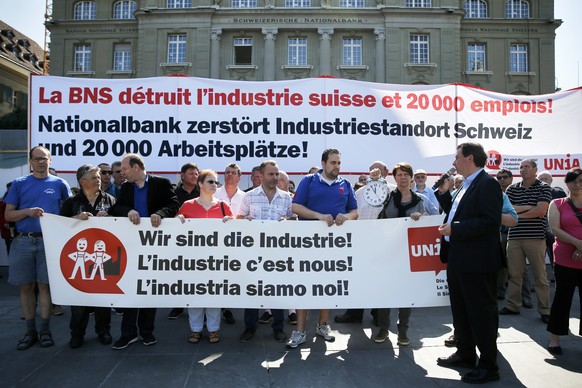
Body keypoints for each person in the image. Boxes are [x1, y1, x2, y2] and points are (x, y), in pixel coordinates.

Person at [436, 142, 502, 384]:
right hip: (458, 257)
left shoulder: (487, 184)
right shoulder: (465, 185)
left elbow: (490, 222)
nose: (454, 162)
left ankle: (488, 365)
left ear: (470, 158)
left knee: (481, 314)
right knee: (461, 311)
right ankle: (465, 354)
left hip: (478, 261)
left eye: (457, 157)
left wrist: (456, 228)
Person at [287, 148, 358, 349]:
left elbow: (354, 211)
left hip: (334, 247)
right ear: (324, 163)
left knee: (328, 285)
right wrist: (319, 216)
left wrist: (348, 216)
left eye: (339, 163)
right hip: (307, 244)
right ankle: (300, 331)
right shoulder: (309, 181)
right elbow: (295, 207)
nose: (336, 166)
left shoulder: (345, 184)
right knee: (303, 286)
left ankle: (322, 325)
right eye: (333, 162)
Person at [4, 146, 72, 350]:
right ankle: (29, 331)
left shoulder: (60, 183)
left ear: (50, 160)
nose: (42, 162)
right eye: (37, 159)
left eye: (45, 158)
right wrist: (27, 212)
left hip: (49, 241)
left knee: (45, 285)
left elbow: (67, 213)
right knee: (26, 286)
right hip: (23, 241)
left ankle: (45, 330)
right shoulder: (18, 184)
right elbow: (8, 215)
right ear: (30, 161)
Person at [109, 153, 179, 349]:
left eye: (124, 169)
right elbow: (118, 208)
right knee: (131, 289)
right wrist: (127, 211)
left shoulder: (161, 183)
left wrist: (160, 214)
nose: (122, 173)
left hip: (156, 245)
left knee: (149, 289)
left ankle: (147, 332)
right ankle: (127, 333)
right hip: (132, 247)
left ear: (136, 168)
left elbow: (173, 204)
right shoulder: (125, 188)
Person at [60, 164, 116, 349]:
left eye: (99, 177)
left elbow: (121, 225)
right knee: (79, 300)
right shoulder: (71, 202)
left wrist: (110, 218)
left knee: (103, 297)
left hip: (103, 255)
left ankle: (103, 331)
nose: (98, 179)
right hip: (81, 258)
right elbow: (59, 226)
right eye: (94, 177)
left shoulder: (110, 200)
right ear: (82, 181)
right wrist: (75, 219)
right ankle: (77, 334)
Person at [238, 160, 293, 343]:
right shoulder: (249, 196)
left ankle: (278, 327)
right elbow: (240, 218)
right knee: (252, 290)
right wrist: (245, 221)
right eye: (271, 174)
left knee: (276, 291)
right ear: (261, 176)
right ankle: (250, 327)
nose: (275, 178)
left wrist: (289, 220)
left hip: (278, 254)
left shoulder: (286, 197)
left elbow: (293, 218)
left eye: (277, 174)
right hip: (253, 253)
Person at [334, 161, 395, 325]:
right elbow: (354, 214)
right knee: (358, 279)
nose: (374, 172)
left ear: (386, 171)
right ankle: (354, 313)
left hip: (385, 243)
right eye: (371, 170)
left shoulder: (393, 190)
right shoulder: (359, 192)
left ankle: (378, 314)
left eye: (378, 169)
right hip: (362, 242)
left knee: (380, 280)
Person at [177, 169, 233, 344]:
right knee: (194, 294)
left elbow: (234, 232)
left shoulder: (224, 206)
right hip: (193, 260)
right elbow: (175, 231)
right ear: (200, 184)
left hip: (217, 260)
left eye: (216, 182)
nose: (214, 185)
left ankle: (214, 329)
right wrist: (177, 220)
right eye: (210, 182)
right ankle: (195, 329)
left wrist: (230, 222)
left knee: (214, 294)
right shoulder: (187, 205)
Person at [373, 162, 425, 346]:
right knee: (385, 293)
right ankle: (383, 329)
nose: (402, 177)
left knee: (406, 293)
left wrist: (420, 219)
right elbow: (380, 220)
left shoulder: (420, 200)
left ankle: (403, 331)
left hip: (409, 254)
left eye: (406, 174)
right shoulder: (387, 197)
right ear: (394, 178)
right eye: (399, 174)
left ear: (411, 177)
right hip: (388, 251)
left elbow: (430, 224)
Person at [501, 159, 552, 323]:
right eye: (521, 167)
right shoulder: (512, 188)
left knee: (540, 276)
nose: (522, 169)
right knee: (515, 275)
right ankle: (513, 305)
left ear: (535, 169)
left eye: (526, 167)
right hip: (514, 237)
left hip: (536, 238)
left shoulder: (544, 187)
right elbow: (506, 211)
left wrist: (517, 213)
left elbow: (540, 211)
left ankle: (545, 310)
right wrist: (529, 207)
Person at [546, 167, 582, 355]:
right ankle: (554, 339)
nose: (577, 185)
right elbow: (555, 228)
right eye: (573, 181)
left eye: (580, 181)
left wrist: (580, 248)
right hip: (565, 259)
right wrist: (577, 243)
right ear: (566, 183)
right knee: (562, 298)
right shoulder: (557, 203)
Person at [168, 162, 201, 320]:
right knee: (180, 273)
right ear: (182, 175)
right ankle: (179, 306)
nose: (194, 176)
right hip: (179, 240)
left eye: (196, 174)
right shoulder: (174, 193)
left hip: (201, 241)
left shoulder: (202, 192)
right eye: (191, 174)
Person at [496, 168, 533, 306]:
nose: (502, 180)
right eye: (499, 178)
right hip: (499, 233)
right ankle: (499, 292)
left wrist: (514, 209)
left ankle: (526, 297)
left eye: (505, 177)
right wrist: (524, 207)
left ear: (511, 178)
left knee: (519, 268)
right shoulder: (495, 193)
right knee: (499, 265)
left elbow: (531, 208)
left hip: (517, 233)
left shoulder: (517, 190)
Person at [214, 162, 245, 324]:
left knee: (231, 276)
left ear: (239, 177)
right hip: (214, 241)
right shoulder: (214, 193)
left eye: (234, 172)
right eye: (227, 172)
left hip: (237, 242)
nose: (230, 175)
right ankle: (214, 308)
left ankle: (228, 309)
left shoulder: (245, 196)